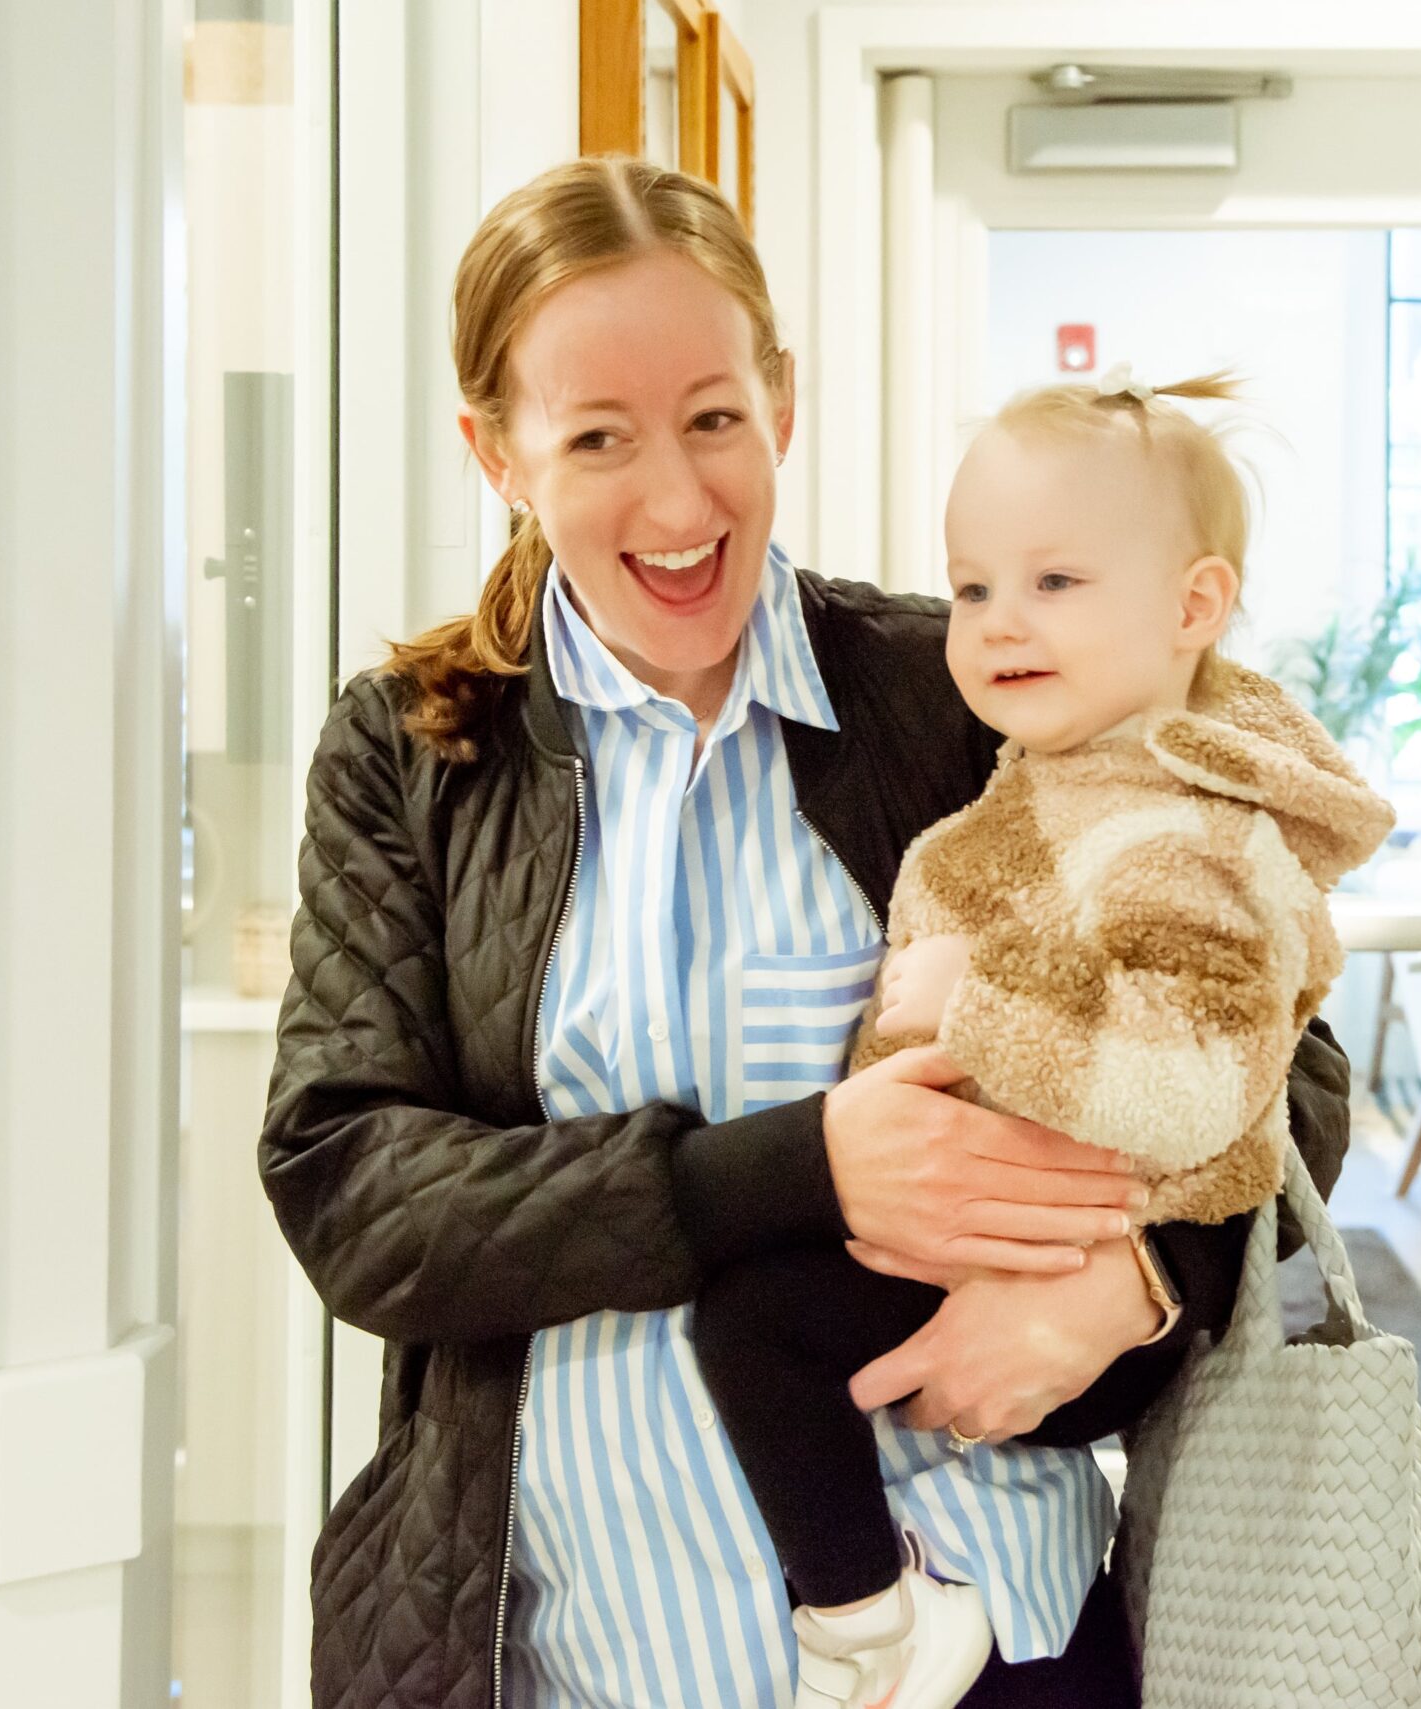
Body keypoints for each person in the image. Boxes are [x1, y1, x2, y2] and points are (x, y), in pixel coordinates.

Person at [258, 155, 1355, 1709]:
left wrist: (1131, 1286)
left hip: (995, 1638)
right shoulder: (416, 753)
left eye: (716, 416)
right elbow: (350, 1182)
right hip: (582, 1654)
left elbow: (1280, 1062)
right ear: (494, 451)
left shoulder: (959, 689)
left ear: (784, 398)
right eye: (595, 438)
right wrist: (792, 1167)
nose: (678, 499)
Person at [688, 373, 1396, 1709]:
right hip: (997, 1245)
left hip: (1076, 1279)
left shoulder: (1188, 833)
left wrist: (977, 1010)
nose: (999, 621)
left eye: (1056, 581)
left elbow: (1202, 1090)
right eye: (970, 588)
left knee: (757, 1314)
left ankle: (869, 1629)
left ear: (1193, 606)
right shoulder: (1035, 787)